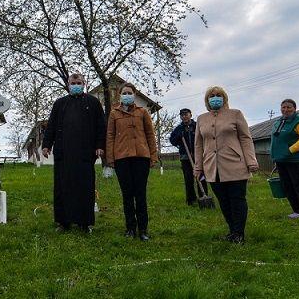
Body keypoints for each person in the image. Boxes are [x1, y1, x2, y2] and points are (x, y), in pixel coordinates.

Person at [193, 86, 259, 243]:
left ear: (224, 98)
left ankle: (239, 234)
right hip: (212, 167)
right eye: (212, 96)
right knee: (223, 201)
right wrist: (198, 166)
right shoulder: (201, 119)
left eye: (218, 95)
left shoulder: (235, 114)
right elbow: (198, 144)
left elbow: (245, 138)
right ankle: (232, 230)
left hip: (235, 164)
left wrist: (251, 161)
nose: (215, 98)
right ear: (207, 100)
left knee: (237, 199)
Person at [42, 73, 106, 233]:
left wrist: (100, 145)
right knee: (63, 188)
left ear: (84, 84)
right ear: (68, 84)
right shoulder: (60, 103)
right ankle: (63, 222)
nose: (76, 85)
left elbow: (101, 126)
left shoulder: (93, 103)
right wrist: (46, 145)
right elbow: (51, 126)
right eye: (73, 83)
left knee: (85, 188)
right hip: (64, 153)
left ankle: (85, 223)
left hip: (85, 154)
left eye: (79, 83)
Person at [105, 83, 158, 241]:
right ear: (119, 95)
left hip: (141, 157)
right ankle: (130, 229)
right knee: (127, 195)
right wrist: (110, 158)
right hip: (122, 159)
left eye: (130, 92)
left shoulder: (142, 112)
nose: (127, 95)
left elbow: (150, 134)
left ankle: (143, 229)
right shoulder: (114, 113)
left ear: (134, 94)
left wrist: (153, 155)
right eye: (124, 93)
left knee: (140, 194)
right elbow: (110, 136)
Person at [271, 98, 299, 218]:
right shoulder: (279, 122)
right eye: (283, 107)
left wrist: (290, 150)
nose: (286, 109)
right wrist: (276, 157)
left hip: (296, 160)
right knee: (287, 186)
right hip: (281, 160)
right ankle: (297, 211)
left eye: (289, 107)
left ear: (294, 108)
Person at [169, 108, 208, 205]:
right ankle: (191, 200)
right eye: (182, 115)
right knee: (188, 179)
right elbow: (172, 141)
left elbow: (204, 137)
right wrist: (178, 136)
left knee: (201, 177)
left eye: (186, 114)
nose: (184, 116)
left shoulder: (197, 126)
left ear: (190, 115)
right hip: (185, 158)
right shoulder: (179, 129)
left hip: (198, 157)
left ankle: (203, 196)